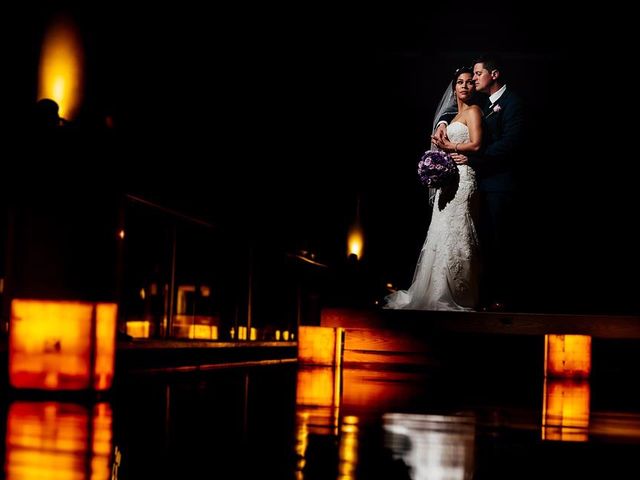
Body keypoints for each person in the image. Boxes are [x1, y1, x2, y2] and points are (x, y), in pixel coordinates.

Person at [385, 67, 482, 311]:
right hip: (448, 180)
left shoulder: (474, 111)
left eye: (470, 82)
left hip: (464, 178)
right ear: (454, 88)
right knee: (440, 230)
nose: (464, 86)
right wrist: (440, 151)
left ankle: (457, 292)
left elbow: (477, 145)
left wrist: (452, 148)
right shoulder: (450, 118)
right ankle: (433, 289)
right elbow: (448, 140)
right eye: (460, 82)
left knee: (458, 231)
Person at [434, 54, 525, 311]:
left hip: (500, 185)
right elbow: (457, 112)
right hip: (479, 183)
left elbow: (511, 144)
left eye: (477, 75)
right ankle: (479, 296)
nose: (472, 80)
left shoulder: (512, 103)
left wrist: (473, 157)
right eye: (469, 77)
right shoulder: (482, 103)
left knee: (499, 242)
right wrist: (442, 123)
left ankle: (504, 300)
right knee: (478, 242)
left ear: (493, 75)